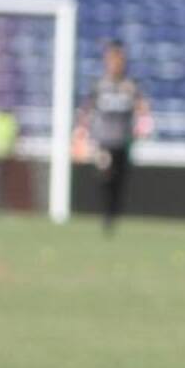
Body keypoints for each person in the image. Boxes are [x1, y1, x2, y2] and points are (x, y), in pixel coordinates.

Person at [77, 40, 150, 233]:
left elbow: (142, 108)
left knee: (120, 181)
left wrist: (144, 125)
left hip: (123, 141)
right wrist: (82, 130)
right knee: (105, 175)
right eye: (112, 59)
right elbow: (87, 109)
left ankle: (113, 215)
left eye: (119, 59)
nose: (116, 63)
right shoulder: (100, 85)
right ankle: (106, 215)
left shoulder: (130, 86)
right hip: (103, 141)